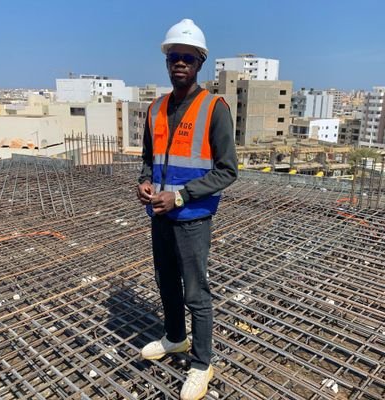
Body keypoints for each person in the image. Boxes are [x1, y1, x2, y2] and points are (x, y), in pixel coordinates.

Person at [137, 18, 237, 400]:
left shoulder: (214, 108)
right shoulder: (156, 108)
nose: (180, 63)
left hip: (192, 219)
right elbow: (149, 158)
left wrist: (179, 196)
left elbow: (228, 170)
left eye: (188, 58)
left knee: (196, 293)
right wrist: (145, 182)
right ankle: (175, 338)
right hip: (159, 216)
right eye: (174, 57)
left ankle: (201, 362)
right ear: (167, 62)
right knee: (165, 282)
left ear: (200, 63)